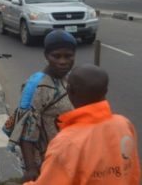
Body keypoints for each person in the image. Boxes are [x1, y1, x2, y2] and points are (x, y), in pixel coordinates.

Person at [25, 64, 140, 185]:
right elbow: (133, 172)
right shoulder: (124, 124)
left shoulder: (66, 142)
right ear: (105, 91)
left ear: (69, 91)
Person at [8, 30, 76, 182]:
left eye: (68, 56)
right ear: (46, 56)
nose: (63, 61)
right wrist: (31, 167)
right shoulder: (37, 85)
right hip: (46, 159)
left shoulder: (68, 79)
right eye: (56, 56)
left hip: (67, 155)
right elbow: (26, 128)